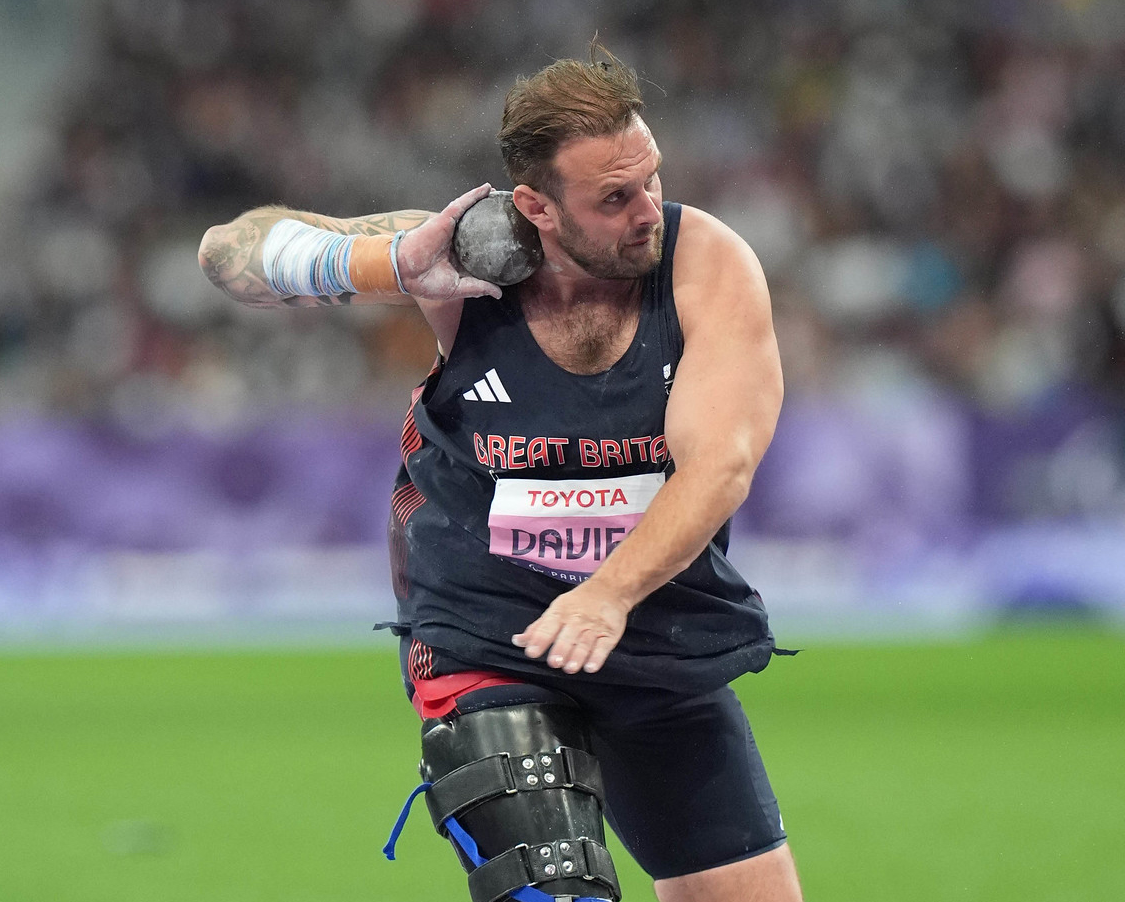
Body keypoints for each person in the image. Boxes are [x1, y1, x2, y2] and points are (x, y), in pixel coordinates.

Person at [199, 43, 801, 902]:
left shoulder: (705, 263)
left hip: (648, 625)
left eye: (653, 180)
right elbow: (231, 251)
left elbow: (720, 467)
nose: (648, 212)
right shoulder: (458, 265)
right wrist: (391, 265)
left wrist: (607, 594)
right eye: (614, 198)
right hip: (489, 634)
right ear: (536, 206)